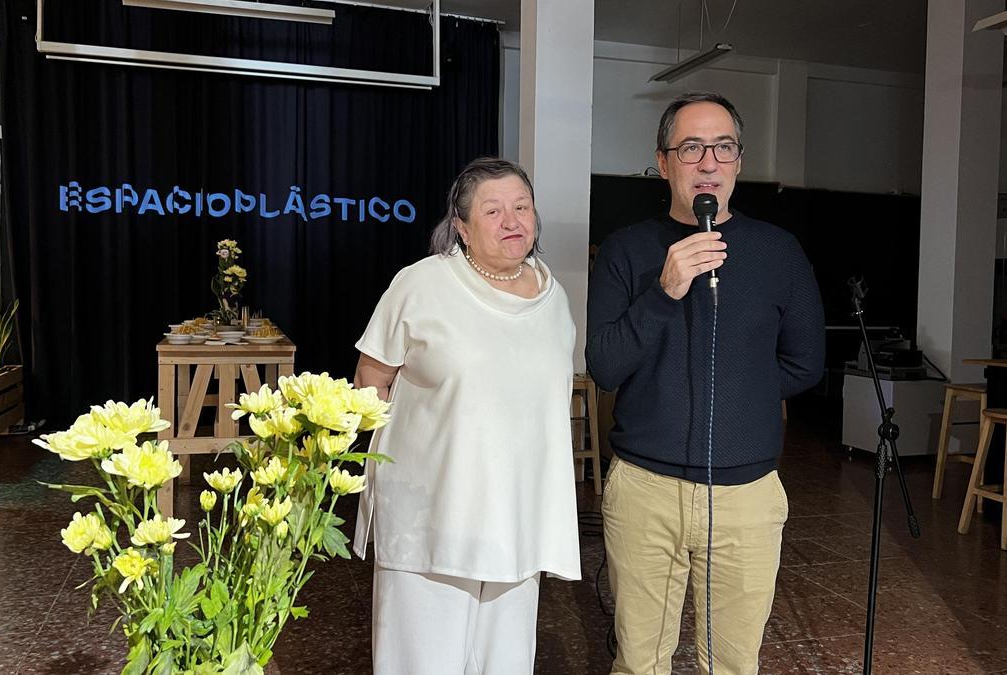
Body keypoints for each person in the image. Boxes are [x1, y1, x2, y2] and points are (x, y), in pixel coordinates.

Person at [586, 91, 825, 674]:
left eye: (723, 147)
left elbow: (805, 362)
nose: (709, 161)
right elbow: (606, 366)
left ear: (739, 162)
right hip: (645, 490)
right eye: (691, 147)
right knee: (640, 663)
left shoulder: (778, 252)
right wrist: (664, 292)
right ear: (664, 162)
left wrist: (736, 396)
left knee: (733, 665)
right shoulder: (627, 250)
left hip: (746, 496)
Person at [352, 157, 581, 674]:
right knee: (422, 660)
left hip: (517, 517)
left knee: (503, 661)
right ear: (461, 226)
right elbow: (373, 376)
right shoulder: (422, 284)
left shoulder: (553, 296)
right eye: (493, 210)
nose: (512, 221)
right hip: (432, 517)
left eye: (522, 207)